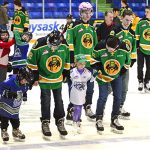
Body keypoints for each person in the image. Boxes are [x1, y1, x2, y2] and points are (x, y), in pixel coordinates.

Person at [27, 30, 70, 137]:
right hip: (44, 78)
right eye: (51, 45)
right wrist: (35, 78)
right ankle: (45, 121)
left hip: (57, 78)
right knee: (46, 100)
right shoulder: (39, 43)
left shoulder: (64, 44)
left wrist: (65, 74)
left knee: (59, 100)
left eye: (56, 46)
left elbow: (67, 60)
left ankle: (60, 120)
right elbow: (32, 62)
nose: (53, 48)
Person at [91, 35, 131, 134]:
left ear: (117, 46)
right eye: (108, 47)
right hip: (102, 77)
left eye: (111, 48)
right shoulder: (100, 46)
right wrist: (99, 69)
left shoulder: (124, 48)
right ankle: (99, 119)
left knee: (118, 97)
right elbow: (92, 61)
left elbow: (127, 63)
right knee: (103, 96)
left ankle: (114, 119)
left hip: (116, 76)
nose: (109, 49)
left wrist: (118, 73)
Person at [66, 2, 98, 122]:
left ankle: (88, 106)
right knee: (75, 88)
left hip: (89, 64)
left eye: (89, 12)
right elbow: (69, 45)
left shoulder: (91, 28)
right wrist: (71, 61)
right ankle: (71, 110)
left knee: (90, 88)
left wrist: (95, 62)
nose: (87, 14)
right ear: (80, 13)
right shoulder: (73, 26)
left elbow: (94, 47)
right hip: (77, 64)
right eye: (85, 12)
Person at [110, 10, 136, 120]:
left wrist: (132, 59)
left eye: (130, 21)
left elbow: (133, 48)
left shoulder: (132, 33)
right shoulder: (115, 30)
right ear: (121, 18)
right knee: (109, 90)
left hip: (125, 66)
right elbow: (110, 44)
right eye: (126, 20)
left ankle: (119, 108)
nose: (128, 23)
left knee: (124, 89)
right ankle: (101, 109)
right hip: (114, 65)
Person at [0, 67, 34, 142]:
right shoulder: (9, 81)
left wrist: (24, 94)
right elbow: (0, 88)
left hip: (15, 106)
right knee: (4, 119)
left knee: (15, 120)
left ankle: (15, 130)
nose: (26, 82)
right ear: (20, 76)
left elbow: (25, 89)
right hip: (5, 105)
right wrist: (7, 93)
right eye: (25, 80)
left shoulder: (25, 84)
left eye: (27, 81)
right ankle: (4, 131)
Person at [70, 54, 94, 133]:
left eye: (83, 63)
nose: (82, 65)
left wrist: (96, 74)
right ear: (76, 63)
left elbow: (91, 79)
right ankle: (75, 121)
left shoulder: (87, 72)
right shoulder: (72, 71)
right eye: (80, 63)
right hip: (74, 93)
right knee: (76, 107)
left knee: (79, 107)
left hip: (82, 94)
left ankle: (77, 120)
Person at [11, 31, 32, 102]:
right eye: (25, 35)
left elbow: (16, 33)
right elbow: (16, 54)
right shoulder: (17, 44)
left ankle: (24, 93)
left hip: (22, 65)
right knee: (15, 79)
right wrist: (10, 58)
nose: (26, 37)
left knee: (23, 79)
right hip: (15, 65)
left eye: (28, 37)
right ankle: (15, 92)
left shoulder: (25, 44)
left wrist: (17, 32)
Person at [135, 6, 150, 93]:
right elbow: (137, 34)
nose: (146, 13)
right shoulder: (141, 22)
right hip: (141, 48)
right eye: (145, 12)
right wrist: (137, 45)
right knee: (140, 67)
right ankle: (140, 81)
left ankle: (147, 81)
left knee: (149, 68)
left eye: (148, 12)